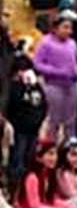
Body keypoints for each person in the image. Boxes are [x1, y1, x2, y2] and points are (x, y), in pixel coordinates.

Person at [33, 16, 77, 142]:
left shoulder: (72, 43)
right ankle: (50, 147)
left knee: (71, 120)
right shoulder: (46, 43)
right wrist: (57, 71)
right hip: (53, 86)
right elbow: (37, 63)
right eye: (65, 27)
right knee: (54, 120)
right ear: (55, 29)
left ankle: (69, 147)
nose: (69, 31)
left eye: (70, 28)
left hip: (73, 84)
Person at [15, 140, 77, 208]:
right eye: (50, 154)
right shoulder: (32, 177)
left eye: (55, 154)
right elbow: (34, 206)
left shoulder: (49, 175)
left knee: (76, 203)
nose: (54, 158)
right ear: (39, 158)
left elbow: (52, 199)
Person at [6, 56, 46, 187]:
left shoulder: (37, 87)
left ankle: (27, 188)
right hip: (19, 130)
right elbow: (11, 105)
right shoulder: (13, 87)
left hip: (34, 130)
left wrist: (40, 120)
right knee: (17, 159)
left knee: (30, 159)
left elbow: (44, 105)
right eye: (23, 70)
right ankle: (14, 187)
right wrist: (22, 86)